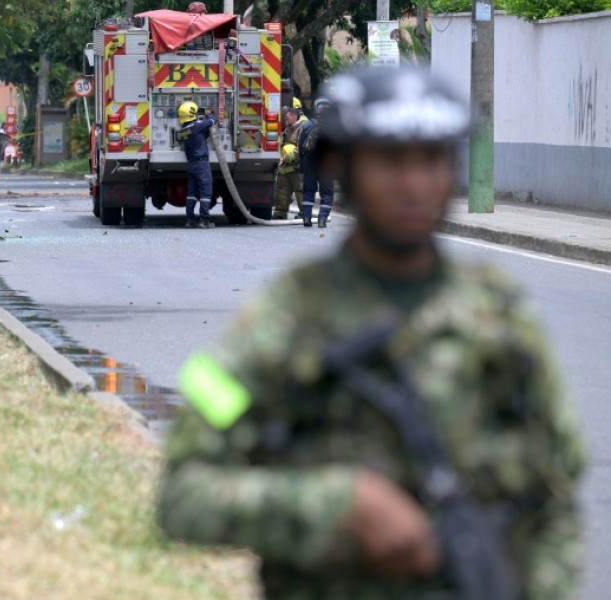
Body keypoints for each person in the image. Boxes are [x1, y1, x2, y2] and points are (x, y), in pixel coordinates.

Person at [158, 67, 585, 599]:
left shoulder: (501, 317)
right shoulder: (280, 319)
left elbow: (558, 496)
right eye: (389, 160)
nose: (413, 184)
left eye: (431, 160)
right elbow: (183, 492)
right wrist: (334, 507)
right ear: (343, 167)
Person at [177, 100, 217, 229]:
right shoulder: (198, 127)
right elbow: (212, 121)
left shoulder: (183, 131)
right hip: (201, 164)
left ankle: (190, 220)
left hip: (191, 165)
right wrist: (209, 113)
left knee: (192, 193)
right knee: (206, 191)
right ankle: (204, 220)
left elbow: (200, 135)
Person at [298, 97, 335, 227]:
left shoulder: (308, 125)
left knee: (308, 190)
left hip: (309, 162)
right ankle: (322, 219)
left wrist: (301, 166)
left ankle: (307, 218)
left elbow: (301, 147)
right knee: (327, 193)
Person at [272, 106, 305, 219]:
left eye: (287, 117)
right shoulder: (287, 129)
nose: (285, 119)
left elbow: (301, 147)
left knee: (300, 190)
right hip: (285, 165)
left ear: (294, 116)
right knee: (282, 189)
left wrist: (288, 157)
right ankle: (280, 212)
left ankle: (304, 213)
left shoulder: (302, 128)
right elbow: (281, 143)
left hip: (296, 166)